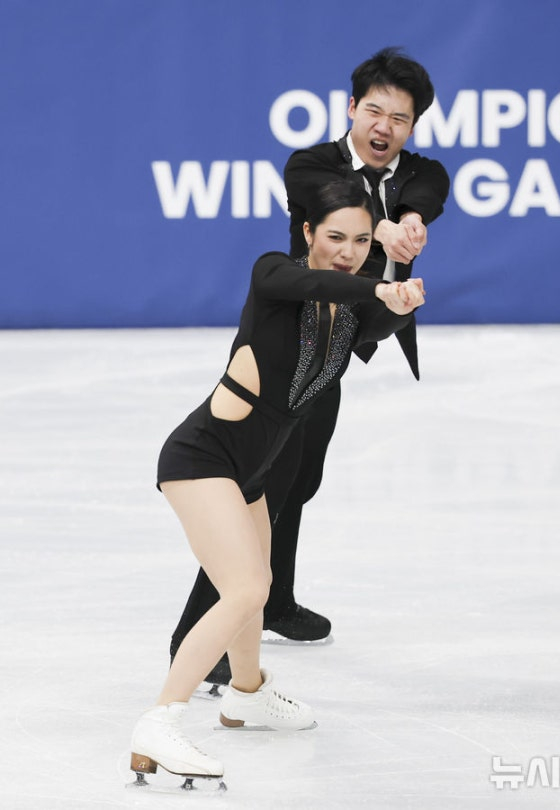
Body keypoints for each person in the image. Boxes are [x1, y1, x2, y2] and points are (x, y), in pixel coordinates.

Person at [169, 47, 450, 686]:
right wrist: (381, 235)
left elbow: (430, 188)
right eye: (373, 110)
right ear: (352, 109)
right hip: (290, 337)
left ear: (412, 127)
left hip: (345, 337)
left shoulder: (418, 174)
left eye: (400, 119)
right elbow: (334, 203)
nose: (384, 126)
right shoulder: (312, 166)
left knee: (298, 478)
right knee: (253, 481)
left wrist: (410, 219)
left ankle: (276, 599)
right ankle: (198, 635)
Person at [130, 180, 426, 783]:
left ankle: (246, 695)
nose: (347, 250)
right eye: (336, 236)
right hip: (202, 458)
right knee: (241, 590)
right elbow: (316, 283)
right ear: (309, 233)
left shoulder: (347, 315)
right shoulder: (274, 276)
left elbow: (375, 323)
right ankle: (159, 722)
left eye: (362, 240)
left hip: (253, 473)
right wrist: (378, 284)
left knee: (258, 590)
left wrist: (399, 296)